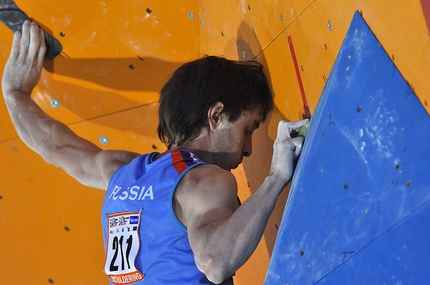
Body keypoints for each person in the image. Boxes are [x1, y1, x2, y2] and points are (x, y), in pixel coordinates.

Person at [2, 20, 308, 285]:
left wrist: (14, 93)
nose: (250, 148)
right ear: (215, 116)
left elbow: (53, 145)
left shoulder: (123, 173)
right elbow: (214, 262)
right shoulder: (205, 181)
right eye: (249, 129)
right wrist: (277, 177)